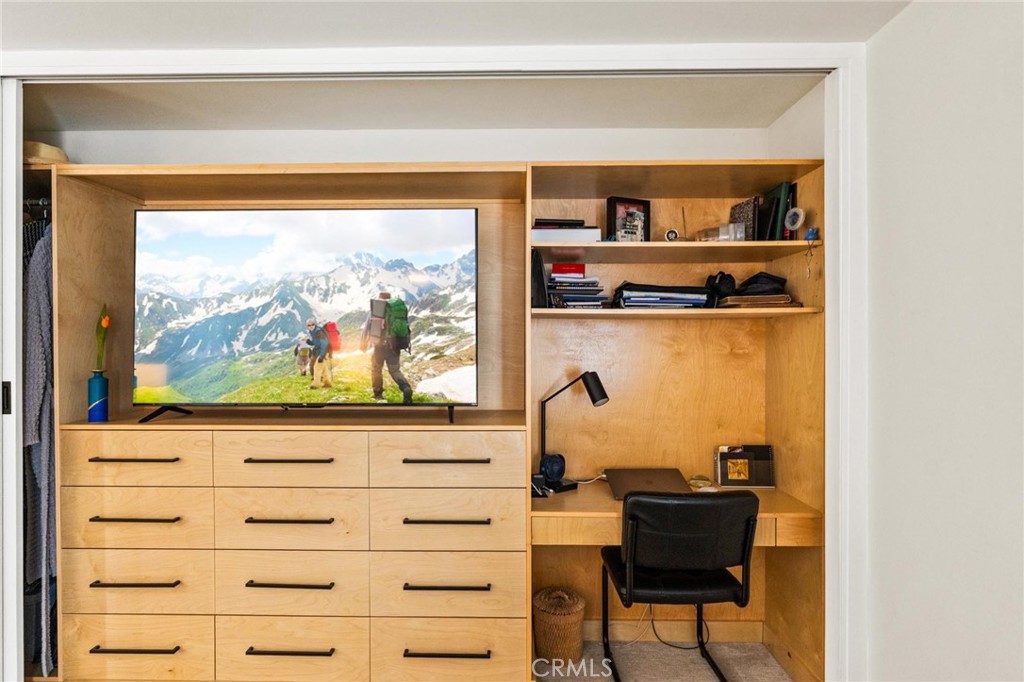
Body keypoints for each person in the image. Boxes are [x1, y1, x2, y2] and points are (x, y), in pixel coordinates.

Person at [359, 292, 413, 404]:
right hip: (395, 345)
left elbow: (367, 328)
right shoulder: (396, 309)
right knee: (395, 370)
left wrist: (363, 344)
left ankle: (377, 393)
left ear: (380, 298)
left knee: (376, 369)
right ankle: (406, 388)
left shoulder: (377, 309)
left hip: (380, 347)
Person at [306, 318, 332, 389]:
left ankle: (316, 384)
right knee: (324, 368)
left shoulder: (318, 332)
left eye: (312, 324)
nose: (311, 326)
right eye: (309, 325)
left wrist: (322, 356)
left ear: (315, 324)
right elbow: (317, 342)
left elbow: (324, 343)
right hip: (320, 351)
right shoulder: (313, 331)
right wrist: (310, 342)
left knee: (317, 367)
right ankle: (327, 383)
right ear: (307, 326)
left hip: (323, 351)